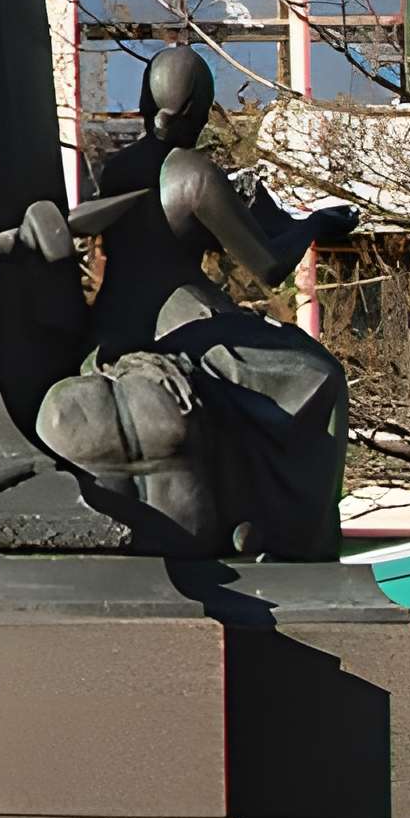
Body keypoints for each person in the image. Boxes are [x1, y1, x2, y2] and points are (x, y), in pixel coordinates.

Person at [35, 45, 355, 557]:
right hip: (187, 320)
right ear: (202, 110)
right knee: (320, 377)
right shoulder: (194, 174)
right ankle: (293, 532)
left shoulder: (113, 170)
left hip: (113, 328)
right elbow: (269, 266)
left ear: (143, 101)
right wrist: (314, 223)